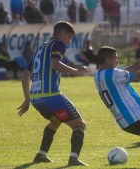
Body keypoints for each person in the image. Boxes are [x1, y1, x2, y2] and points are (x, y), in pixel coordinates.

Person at [17, 21, 89, 166]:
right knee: (79, 125)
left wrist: (27, 100)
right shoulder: (58, 44)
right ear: (61, 34)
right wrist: (76, 71)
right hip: (50, 96)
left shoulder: (41, 49)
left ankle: (41, 155)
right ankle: (73, 159)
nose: (68, 42)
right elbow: (55, 64)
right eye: (69, 37)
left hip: (36, 98)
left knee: (56, 121)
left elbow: (25, 74)